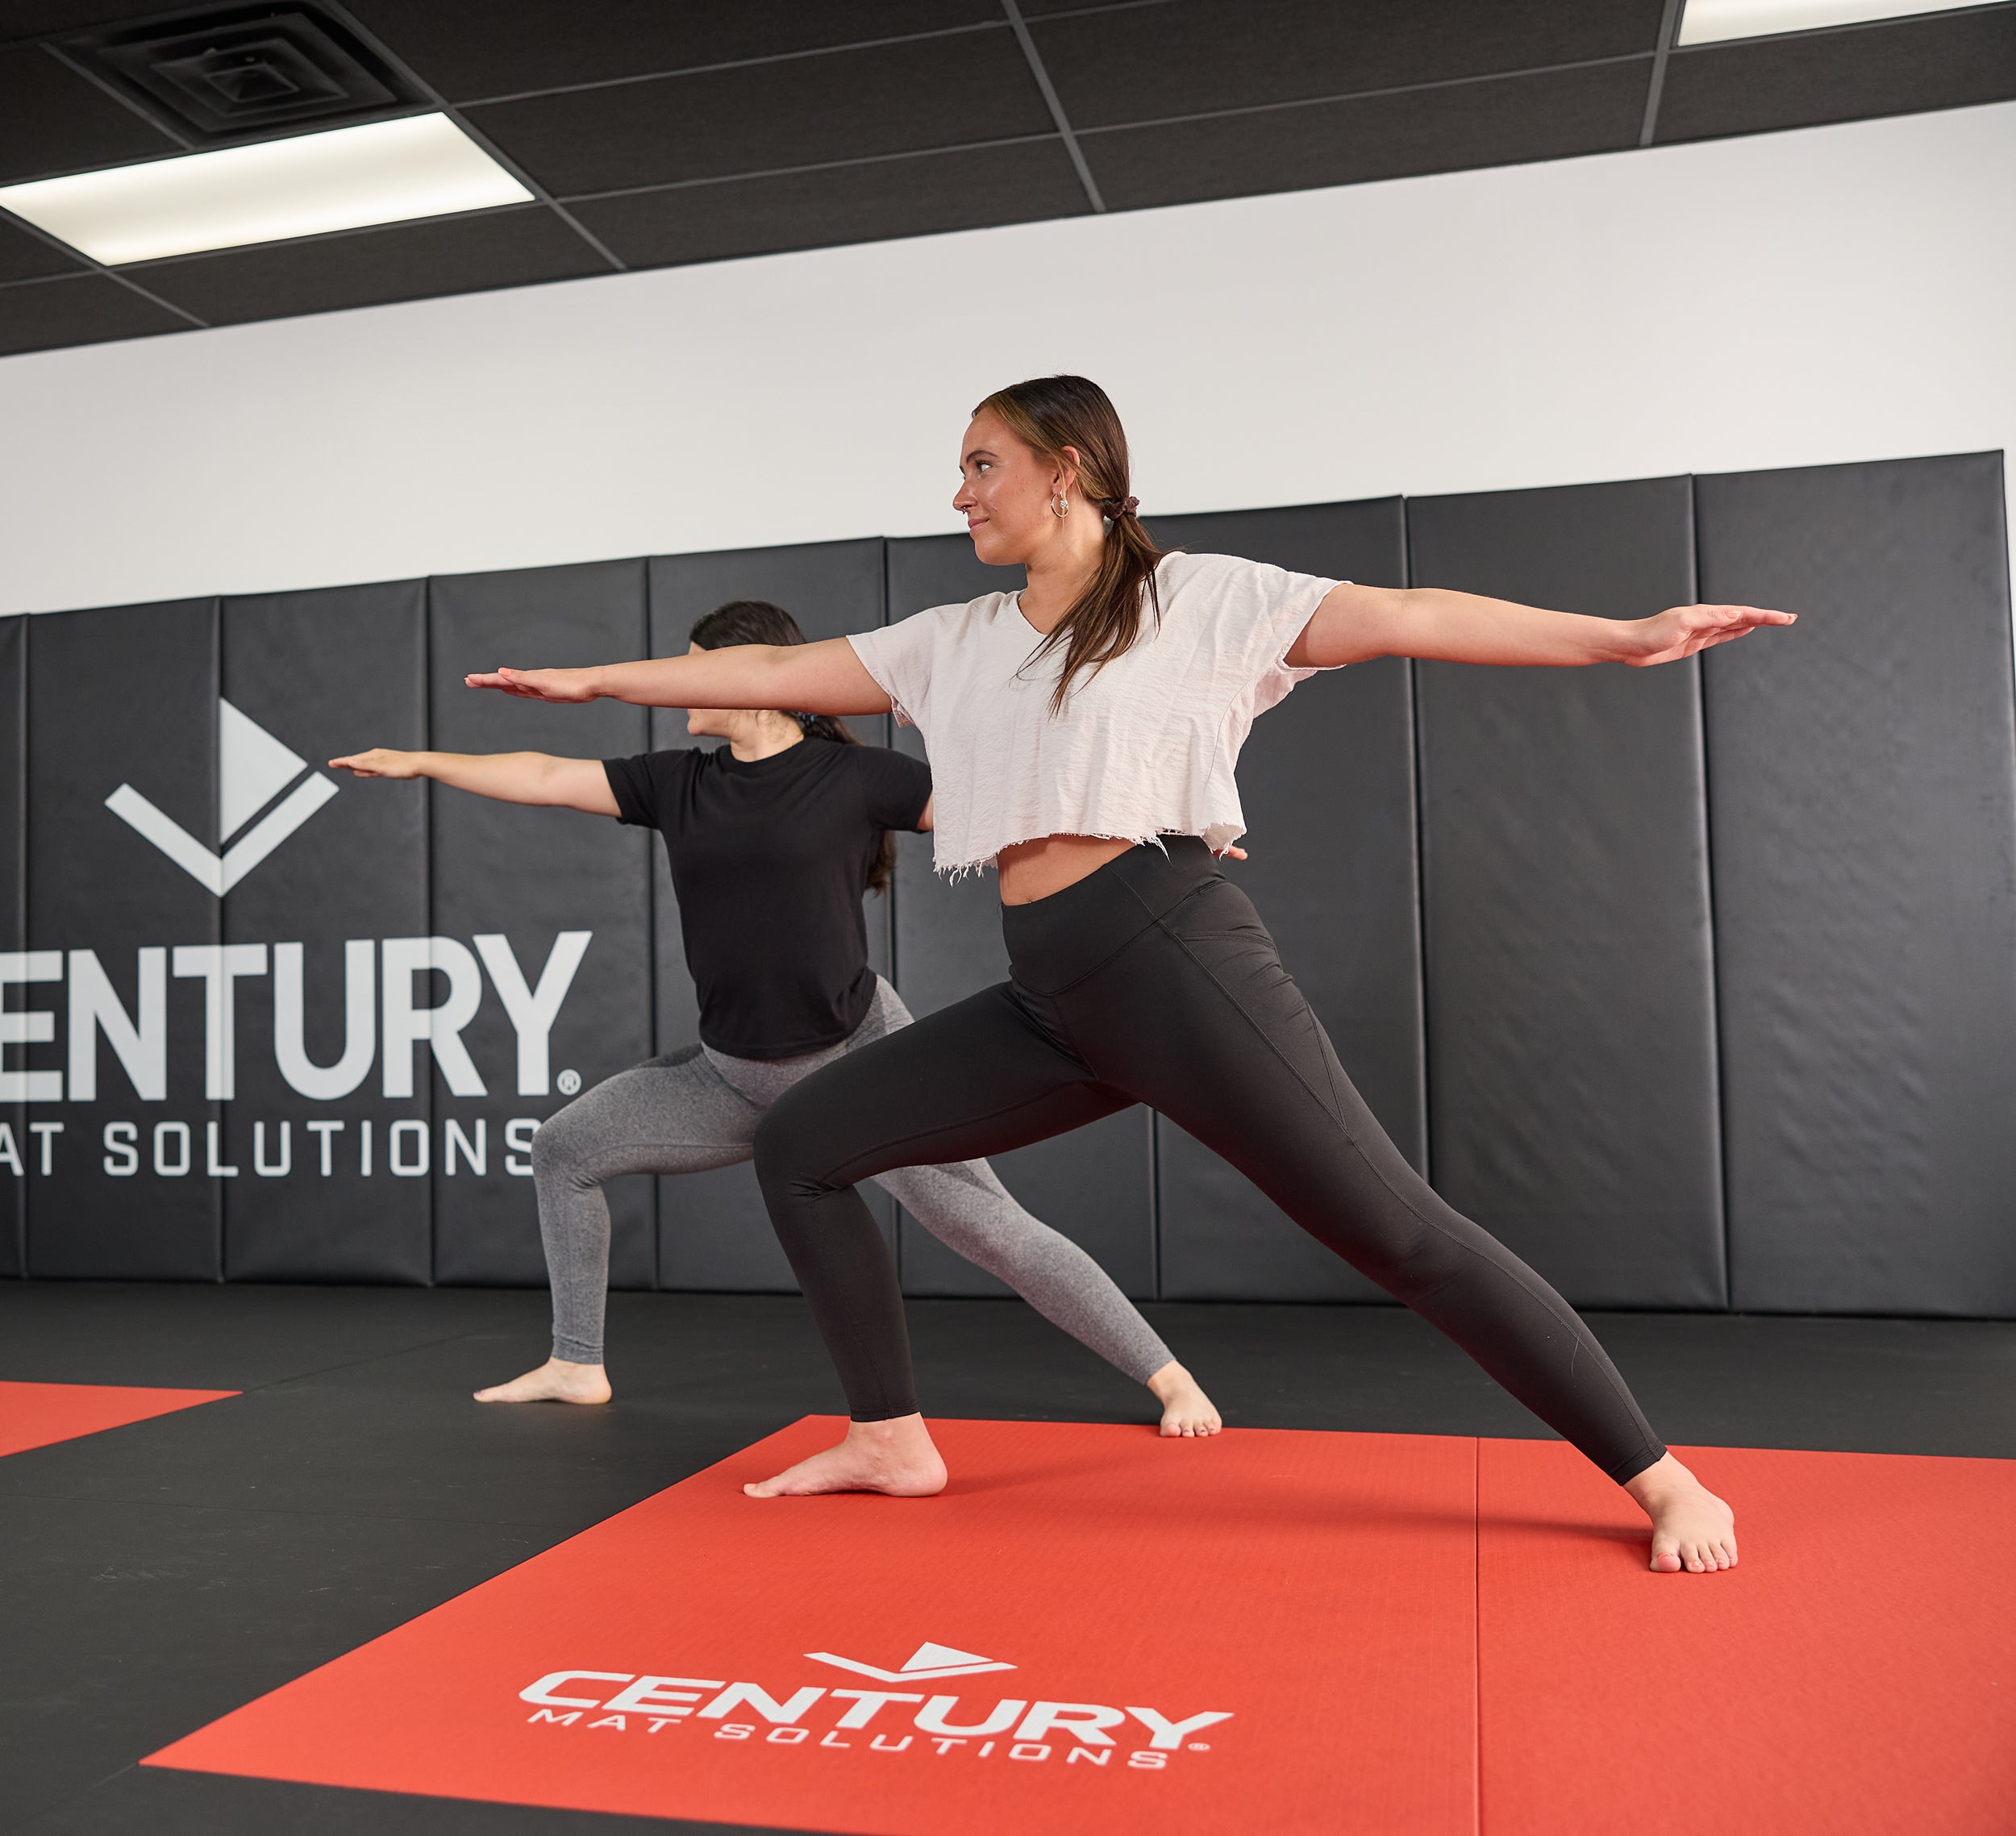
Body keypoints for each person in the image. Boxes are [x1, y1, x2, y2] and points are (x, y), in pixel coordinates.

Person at [469, 376, 1793, 1574]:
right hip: (1051, 994)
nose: (959, 490)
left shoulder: (1201, 601)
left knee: (1400, 1235)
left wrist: (1619, 638)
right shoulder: (959, 636)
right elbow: (765, 671)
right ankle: (891, 1437)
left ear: (1067, 468)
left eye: (982, 462)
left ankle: (1660, 1476)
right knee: (805, 1140)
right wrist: (589, 680)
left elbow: (1411, 614)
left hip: (1171, 957)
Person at [331, 597, 1221, 1436]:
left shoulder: (856, 777)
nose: (675, 693)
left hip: (862, 1068)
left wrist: (1166, 828)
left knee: (989, 1228)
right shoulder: (675, 783)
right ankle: (576, 1363)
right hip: (733, 1076)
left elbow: (1011, 814)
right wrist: (421, 763)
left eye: (690, 673)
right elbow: (544, 775)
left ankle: (1166, 1373)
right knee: (566, 1148)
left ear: (748, 675)